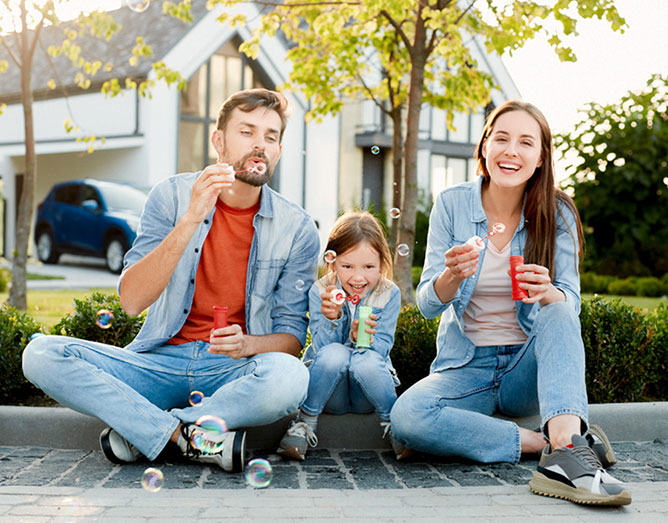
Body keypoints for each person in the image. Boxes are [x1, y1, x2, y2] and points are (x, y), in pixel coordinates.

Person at [22, 88, 320, 473]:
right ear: (219, 141)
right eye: (246, 132)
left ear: (279, 149)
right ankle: (187, 438)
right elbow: (131, 300)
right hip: (155, 364)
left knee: (291, 377)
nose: (259, 145)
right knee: (41, 354)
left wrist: (247, 343)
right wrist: (192, 218)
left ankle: (153, 430)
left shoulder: (297, 229)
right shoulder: (170, 196)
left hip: (230, 371)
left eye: (271, 136)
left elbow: (292, 339)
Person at [389, 101, 632, 506]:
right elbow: (428, 303)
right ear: (484, 146)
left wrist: (550, 291)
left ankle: (569, 455)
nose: (511, 151)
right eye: (500, 138)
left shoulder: (558, 213)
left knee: (556, 308)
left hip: (527, 368)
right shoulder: (452, 204)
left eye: (525, 142)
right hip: (467, 367)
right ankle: (553, 444)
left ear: (540, 158)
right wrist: (451, 277)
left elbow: (569, 304)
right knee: (407, 417)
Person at [277, 211, 401, 460]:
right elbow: (323, 351)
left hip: (367, 391)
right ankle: (305, 423)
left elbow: (381, 352)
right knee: (335, 352)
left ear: (382, 264)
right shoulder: (321, 291)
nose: (358, 277)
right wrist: (334, 320)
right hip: (328, 391)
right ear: (332, 263)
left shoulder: (389, 293)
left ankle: (397, 427)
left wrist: (360, 340)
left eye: (368, 267)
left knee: (364, 359)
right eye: (347, 266)